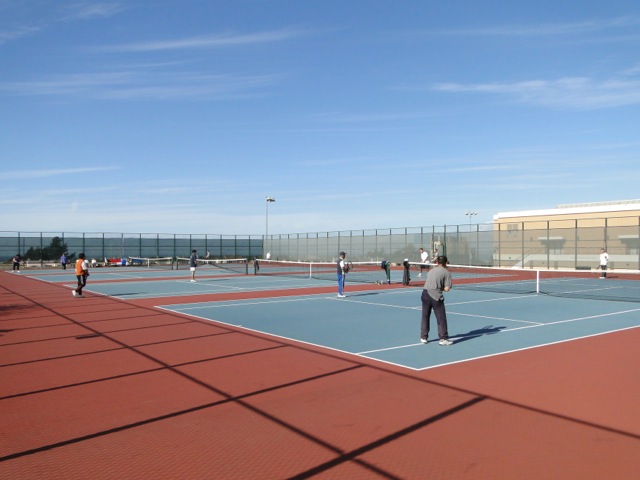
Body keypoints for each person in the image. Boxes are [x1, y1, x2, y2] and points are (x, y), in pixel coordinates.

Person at [420, 255, 453, 346]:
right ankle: (443, 338)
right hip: (435, 296)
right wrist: (442, 287)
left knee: (425, 316)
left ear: (437, 262)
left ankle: (423, 337)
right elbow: (447, 288)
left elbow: (429, 281)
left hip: (425, 293)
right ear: (446, 263)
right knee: (441, 318)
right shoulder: (446, 273)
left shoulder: (431, 270)